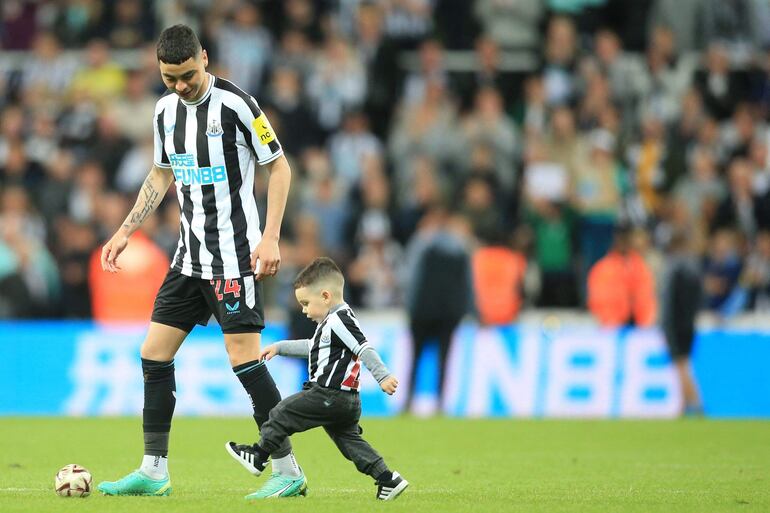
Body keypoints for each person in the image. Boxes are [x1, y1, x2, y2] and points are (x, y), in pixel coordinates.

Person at [96, 25, 306, 499]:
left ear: (205, 59)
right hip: (189, 258)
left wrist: (271, 237)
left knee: (244, 360)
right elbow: (161, 173)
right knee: (153, 352)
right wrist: (126, 229)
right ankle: (153, 470)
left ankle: (288, 470)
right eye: (169, 77)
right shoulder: (164, 111)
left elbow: (280, 165)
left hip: (234, 257)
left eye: (187, 75)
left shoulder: (238, 105)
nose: (180, 85)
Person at [226, 257, 409, 501]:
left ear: (325, 296)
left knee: (281, 412)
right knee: (350, 443)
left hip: (329, 394)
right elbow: (313, 347)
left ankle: (258, 455)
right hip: (346, 401)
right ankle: (387, 479)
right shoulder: (332, 321)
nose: (304, 310)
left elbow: (364, 348)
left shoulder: (339, 320)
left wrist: (382, 376)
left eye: (306, 303)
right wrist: (280, 347)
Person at [660, 231, 703, 416]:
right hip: (689, 324)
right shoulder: (694, 268)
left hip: (676, 325)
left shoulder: (674, 269)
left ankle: (695, 404)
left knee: (681, 365)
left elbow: (668, 302)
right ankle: (685, 404)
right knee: (684, 364)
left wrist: (666, 326)